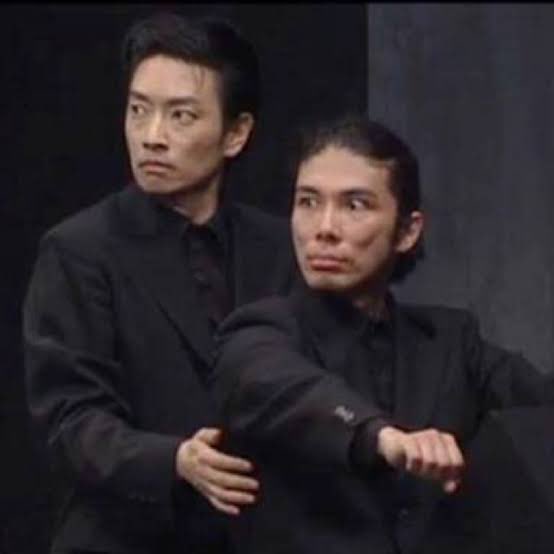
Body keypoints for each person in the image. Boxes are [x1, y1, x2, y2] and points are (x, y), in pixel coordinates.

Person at [212, 113, 554, 554]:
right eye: (308, 202)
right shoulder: (258, 331)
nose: (324, 228)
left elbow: (539, 399)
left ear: (408, 231)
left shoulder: (451, 341)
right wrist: (381, 437)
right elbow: (276, 386)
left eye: (355, 205)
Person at [23, 12, 295, 554]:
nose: (151, 137)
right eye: (138, 110)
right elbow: (69, 418)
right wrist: (173, 460)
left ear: (236, 134)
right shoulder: (78, 250)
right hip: (126, 537)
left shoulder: (281, 246)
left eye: (181, 116)